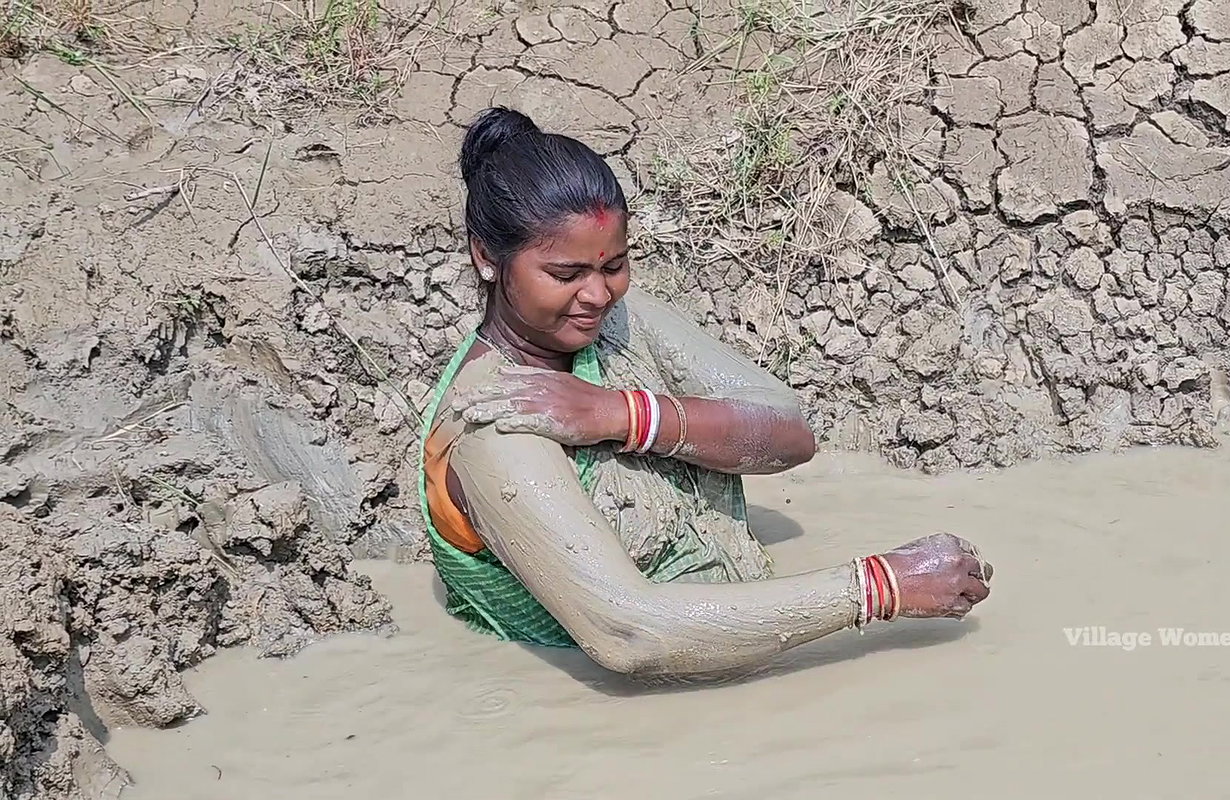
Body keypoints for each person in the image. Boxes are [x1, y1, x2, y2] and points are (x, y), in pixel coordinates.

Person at [418, 106, 993, 678]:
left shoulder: (619, 324)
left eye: (615, 265)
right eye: (565, 276)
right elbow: (630, 634)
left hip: (746, 662)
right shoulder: (495, 421)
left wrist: (624, 414)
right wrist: (879, 587)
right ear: (488, 259)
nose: (597, 294)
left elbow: (789, 435)